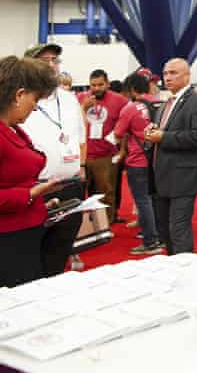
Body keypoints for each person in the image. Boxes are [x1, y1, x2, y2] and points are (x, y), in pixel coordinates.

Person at [0, 56, 68, 287]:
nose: (35, 106)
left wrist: (39, 200)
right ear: (19, 95)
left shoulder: (14, 130)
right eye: (35, 98)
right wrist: (31, 194)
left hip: (25, 231)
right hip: (8, 241)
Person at [21, 43, 86, 275]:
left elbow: (79, 136)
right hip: (36, 188)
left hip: (70, 185)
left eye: (55, 60)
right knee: (30, 255)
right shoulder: (18, 98)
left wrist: (82, 167)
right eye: (44, 59)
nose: (51, 65)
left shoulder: (69, 99)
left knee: (60, 251)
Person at [144, 58, 197, 254]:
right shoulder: (166, 103)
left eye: (173, 73)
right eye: (166, 73)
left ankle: (187, 272)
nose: (168, 78)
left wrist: (163, 137)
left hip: (184, 177)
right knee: (165, 231)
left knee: (178, 230)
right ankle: (174, 268)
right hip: (161, 176)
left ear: (187, 76)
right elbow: (163, 135)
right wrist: (152, 133)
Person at [114, 72, 162, 255]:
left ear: (132, 90)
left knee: (143, 200)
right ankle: (160, 235)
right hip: (159, 159)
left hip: (138, 160)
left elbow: (118, 134)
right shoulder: (162, 104)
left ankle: (150, 241)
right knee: (157, 199)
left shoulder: (131, 108)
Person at [78, 69, 127, 223]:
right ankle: (88, 224)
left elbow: (126, 127)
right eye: (93, 85)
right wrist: (83, 108)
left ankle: (107, 224)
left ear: (107, 84)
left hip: (106, 155)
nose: (97, 88)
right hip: (83, 155)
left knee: (106, 192)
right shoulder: (80, 98)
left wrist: (123, 151)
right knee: (83, 194)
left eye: (100, 84)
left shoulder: (119, 100)